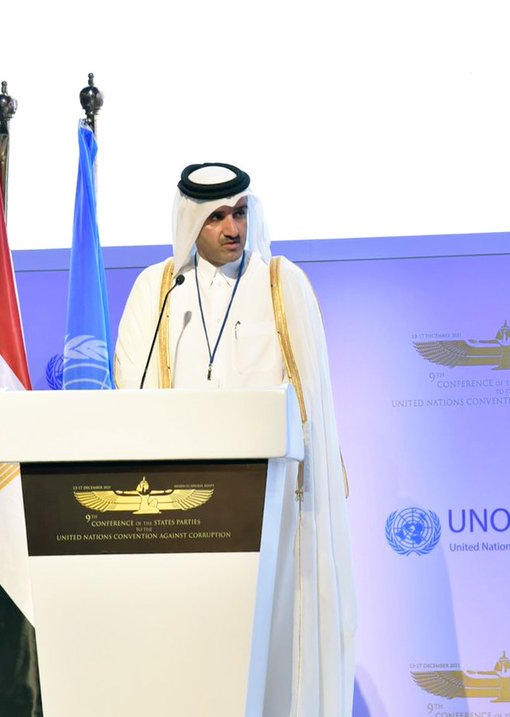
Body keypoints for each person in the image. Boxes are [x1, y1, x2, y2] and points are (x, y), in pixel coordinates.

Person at [113, 162, 356, 716]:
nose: (232, 229)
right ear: (189, 222)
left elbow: (313, 400)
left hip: (272, 508)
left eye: (240, 213)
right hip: (181, 510)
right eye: (217, 216)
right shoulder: (156, 289)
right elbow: (131, 385)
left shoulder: (280, 283)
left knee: (270, 643)